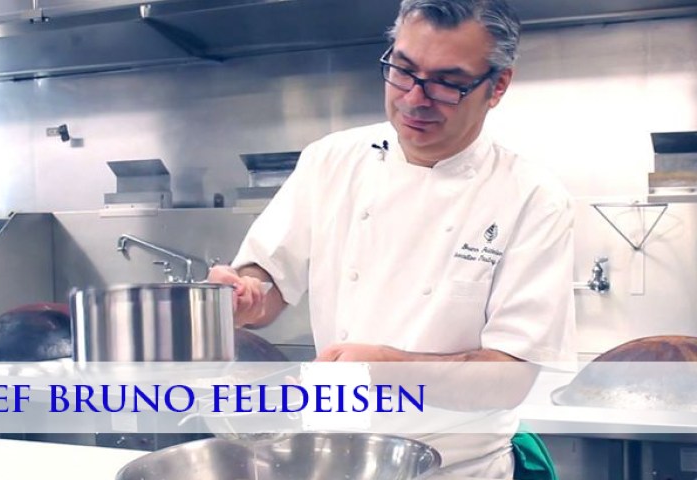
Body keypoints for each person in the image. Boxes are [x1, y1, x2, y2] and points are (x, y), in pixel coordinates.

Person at [209, 0, 575, 476]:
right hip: (336, 458)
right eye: (402, 70)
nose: (414, 99)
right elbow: (269, 278)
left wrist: (385, 367)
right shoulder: (331, 159)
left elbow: (508, 378)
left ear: (497, 86)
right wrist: (247, 295)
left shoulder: (533, 198)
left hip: (457, 469)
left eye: (447, 82)